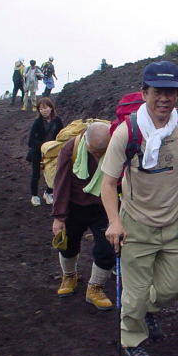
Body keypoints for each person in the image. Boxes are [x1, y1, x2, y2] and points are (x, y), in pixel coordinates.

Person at [101, 60, 178, 356]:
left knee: (171, 290)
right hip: (136, 227)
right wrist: (115, 221)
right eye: (157, 91)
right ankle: (131, 339)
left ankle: (144, 312)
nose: (164, 98)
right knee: (134, 295)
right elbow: (108, 184)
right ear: (144, 92)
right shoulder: (127, 132)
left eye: (171, 92)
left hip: (176, 226)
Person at [52, 122, 116, 310]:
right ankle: (69, 276)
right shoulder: (70, 148)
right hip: (74, 205)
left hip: (104, 206)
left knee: (107, 247)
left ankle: (95, 287)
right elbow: (60, 183)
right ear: (85, 141)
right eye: (94, 151)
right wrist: (59, 217)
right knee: (68, 244)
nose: (98, 155)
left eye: (101, 151)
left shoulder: (116, 147)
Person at [27, 97, 63, 206]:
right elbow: (30, 140)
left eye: (46, 108)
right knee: (36, 174)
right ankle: (34, 196)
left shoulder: (57, 120)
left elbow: (62, 134)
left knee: (53, 173)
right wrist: (41, 146)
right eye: (41, 109)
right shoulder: (37, 122)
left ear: (51, 108)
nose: (44, 110)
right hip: (38, 151)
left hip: (52, 151)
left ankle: (48, 193)